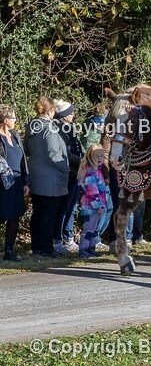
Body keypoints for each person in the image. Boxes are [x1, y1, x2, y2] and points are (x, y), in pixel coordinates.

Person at [24, 97, 69, 257]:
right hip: (51, 178)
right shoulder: (50, 128)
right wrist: (66, 169)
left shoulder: (31, 126)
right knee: (49, 215)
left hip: (36, 176)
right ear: (50, 111)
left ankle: (37, 246)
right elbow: (54, 154)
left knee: (38, 213)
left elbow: (27, 150)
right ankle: (45, 248)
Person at [0, 105, 30, 261]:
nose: (15, 120)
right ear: (5, 120)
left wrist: (26, 181)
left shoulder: (15, 135)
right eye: (13, 118)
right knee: (2, 214)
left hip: (18, 181)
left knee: (15, 217)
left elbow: (23, 159)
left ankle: (9, 251)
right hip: (3, 183)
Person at [54, 99, 82, 253]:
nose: (73, 115)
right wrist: (83, 161)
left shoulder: (69, 128)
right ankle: (59, 239)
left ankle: (68, 237)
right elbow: (66, 152)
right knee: (64, 208)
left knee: (71, 207)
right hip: (68, 172)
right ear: (64, 115)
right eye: (70, 113)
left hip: (76, 172)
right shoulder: (60, 130)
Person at [77, 145, 113, 257]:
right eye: (97, 156)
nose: (100, 158)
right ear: (90, 156)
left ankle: (91, 248)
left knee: (95, 229)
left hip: (99, 205)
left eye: (102, 156)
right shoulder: (91, 171)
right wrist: (98, 205)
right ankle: (83, 249)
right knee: (89, 228)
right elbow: (91, 191)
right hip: (91, 207)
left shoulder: (99, 170)